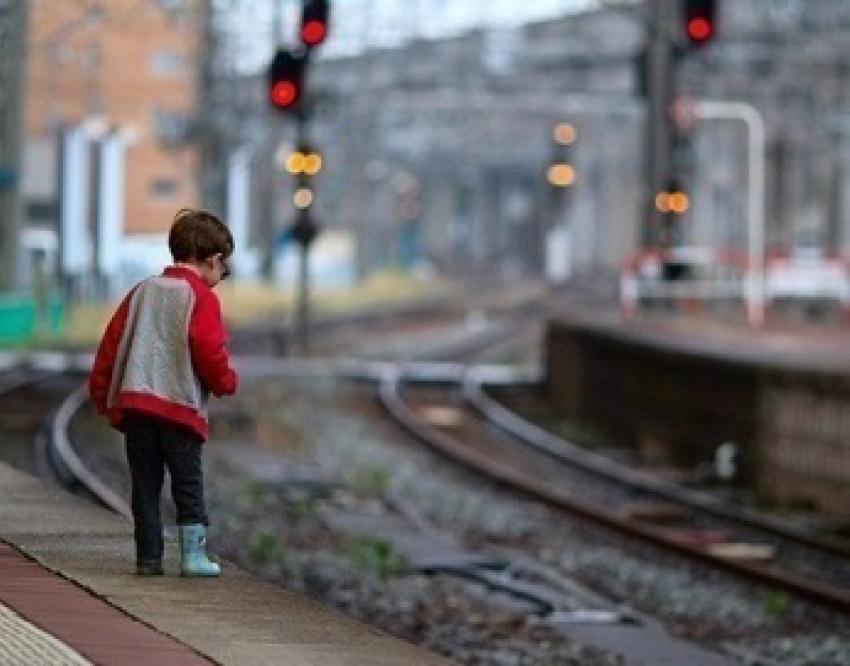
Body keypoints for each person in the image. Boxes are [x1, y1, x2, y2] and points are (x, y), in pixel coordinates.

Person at [89, 208, 238, 577]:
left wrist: (102, 393)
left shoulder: (141, 292)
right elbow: (207, 348)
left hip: (137, 407)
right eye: (224, 269)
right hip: (179, 411)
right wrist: (225, 381)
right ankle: (192, 557)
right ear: (214, 260)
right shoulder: (200, 296)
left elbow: (111, 345)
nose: (221, 277)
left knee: (145, 486)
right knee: (187, 484)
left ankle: (148, 558)